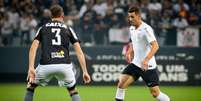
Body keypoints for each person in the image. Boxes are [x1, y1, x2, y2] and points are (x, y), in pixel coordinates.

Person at [24, 5, 91, 101]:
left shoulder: (43, 28)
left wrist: (31, 67)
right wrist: (85, 71)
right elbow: (79, 52)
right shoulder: (68, 28)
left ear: (51, 16)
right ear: (62, 15)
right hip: (65, 65)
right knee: (72, 90)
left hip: (46, 64)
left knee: (31, 87)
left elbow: (33, 48)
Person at [115, 6, 170, 101]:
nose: (130, 19)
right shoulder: (132, 28)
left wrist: (146, 60)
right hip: (136, 63)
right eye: (129, 17)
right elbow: (133, 41)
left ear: (139, 16)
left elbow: (156, 46)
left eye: (132, 16)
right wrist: (129, 50)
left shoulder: (146, 29)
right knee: (121, 84)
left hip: (147, 66)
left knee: (155, 93)